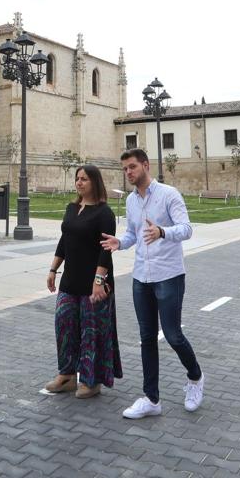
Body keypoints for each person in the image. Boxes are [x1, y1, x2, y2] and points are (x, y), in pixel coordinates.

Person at [101, 148, 204, 418]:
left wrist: (162, 232)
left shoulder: (169, 194)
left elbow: (187, 229)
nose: (128, 173)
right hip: (140, 278)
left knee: (172, 335)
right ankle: (152, 399)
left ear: (146, 165)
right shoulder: (132, 201)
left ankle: (195, 377)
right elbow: (132, 233)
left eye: (132, 167)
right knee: (146, 338)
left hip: (168, 275)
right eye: (124, 169)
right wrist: (119, 243)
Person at [44, 164, 122, 399]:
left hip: (93, 282)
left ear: (95, 182)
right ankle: (67, 375)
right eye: (77, 179)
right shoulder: (72, 208)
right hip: (70, 280)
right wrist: (53, 269)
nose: (79, 182)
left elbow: (105, 250)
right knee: (64, 325)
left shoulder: (104, 212)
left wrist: (98, 281)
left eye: (85, 179)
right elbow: (64, 241)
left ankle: (92, 380)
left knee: (92, 331)